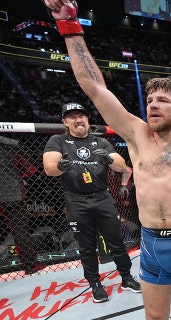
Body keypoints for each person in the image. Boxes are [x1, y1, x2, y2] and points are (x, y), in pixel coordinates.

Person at [42, 0, 171, 318]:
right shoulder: (137, 135)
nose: (152, 104)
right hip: (152, 241)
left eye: (163, 100)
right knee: (155, 317)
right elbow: (94, 88)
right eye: (150, 99)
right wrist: (69, 26)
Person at [42, 103, 139, 302]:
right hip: (76, 200)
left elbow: (122, 167)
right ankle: (95, 284)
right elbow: (49, 169)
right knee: (86, 247)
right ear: (65, 122)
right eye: (72, 117)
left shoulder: (100, 142)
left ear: (87, 119)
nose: (78, 120)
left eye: (81, 116)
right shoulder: (58, 140)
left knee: (117, 242)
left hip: (102, 198)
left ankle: (127, 277)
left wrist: (109, 160)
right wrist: (61, 166)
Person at [0, 136, 40, 274]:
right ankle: (31, 266)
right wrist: (13, 175)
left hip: (11, 192)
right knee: (20, 230)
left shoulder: (12, 144)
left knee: (20, 230)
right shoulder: (10, 145)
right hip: (11, 192)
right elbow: (30, 169)